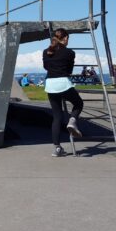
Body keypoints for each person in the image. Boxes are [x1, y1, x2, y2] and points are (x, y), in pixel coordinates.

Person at [42, 28, 83, 157]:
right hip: (63, 83)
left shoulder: (46, 52)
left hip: (50, 85)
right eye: (67, 39)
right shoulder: (70, 52)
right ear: (65, 38)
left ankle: (57, 148)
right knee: (78, 103)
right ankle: (72, 120)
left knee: (57, 116)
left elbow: (46, 67)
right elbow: (69, 70)